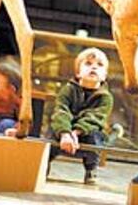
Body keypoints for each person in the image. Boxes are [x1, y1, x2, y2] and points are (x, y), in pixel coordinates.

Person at [48, 47, 114, 185]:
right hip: (66, 132)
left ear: (104, 76)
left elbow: (94, 118)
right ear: (78, 72)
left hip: (86, 133)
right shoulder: (67, 90)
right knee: (51, 133)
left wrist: (76, 132)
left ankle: (91, 169)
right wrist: (65, 133)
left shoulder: (106, 97)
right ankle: (44, 163)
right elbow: (61, 110)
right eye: (88, 63)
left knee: (95, 138)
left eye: (99, 65)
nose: (94, 67)